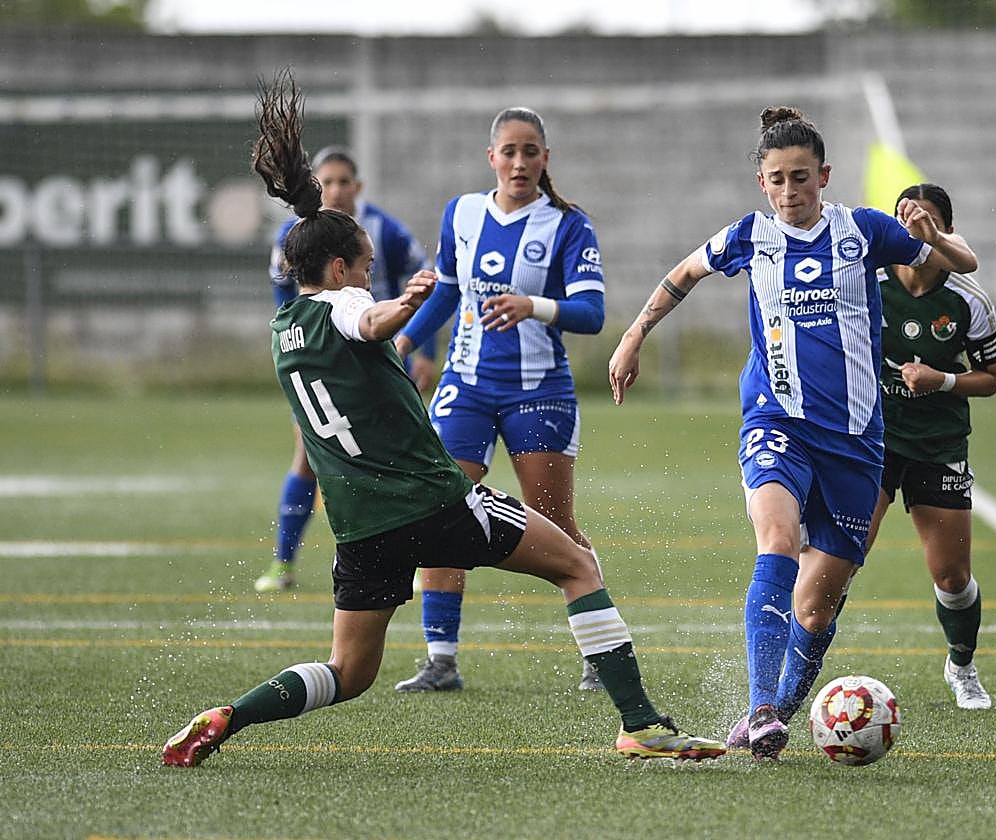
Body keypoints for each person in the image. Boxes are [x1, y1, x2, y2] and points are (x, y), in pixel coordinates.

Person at [162, 70, 725, 768]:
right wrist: (402, 306)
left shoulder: (283, 328)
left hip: (360, 531)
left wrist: (402, 319)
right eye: (366, 267)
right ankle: (640, 723)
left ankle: (231, 715)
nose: (371, 277)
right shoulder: (348, 304)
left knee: (349, 672)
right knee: (578, 565)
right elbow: (365, 317)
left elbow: (361, 326)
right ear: (340, 269)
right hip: (431, 504)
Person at [608, 107, 978, 761]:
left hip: (857, 441)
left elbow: (961, 262)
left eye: (800, 178)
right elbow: (683, 274)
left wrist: (932, 237)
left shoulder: (864, 230)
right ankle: (763, 708)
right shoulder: (750, 236)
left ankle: (776, 711)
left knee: (817, 606)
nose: (788, 192)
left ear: (823, 176)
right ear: (762, 182)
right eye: (776, 179)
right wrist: (636, 334)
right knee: (776, 540)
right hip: (775, 422)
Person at [392, 106, 605, 693]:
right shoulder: (461, 213)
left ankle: (598, 651)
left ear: (545, 158)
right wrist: (403, 342)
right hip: (466, 384)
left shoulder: (568, 226)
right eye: (509, 151)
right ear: (492, 157)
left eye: (530, 151)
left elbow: (592, 314)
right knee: (440, 510)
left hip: (539, 391)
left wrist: (531, 305)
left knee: (554, 522)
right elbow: (448, 293)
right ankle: (441, 661)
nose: (519, 162)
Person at [255, 145, 439, 593]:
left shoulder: (384, 233)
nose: (335, 190)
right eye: (328, 182)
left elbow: (416, 285)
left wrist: (424, 353)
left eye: (343, 182)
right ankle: (283, 562)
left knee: (402, 453)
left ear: (357, 187)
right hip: (326, 362)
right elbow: (289, 307)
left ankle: (416, 559)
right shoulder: (292, 239)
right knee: (310, 457)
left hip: (378, 352)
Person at [866, 183, 996, 708]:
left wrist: (941, 380)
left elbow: (991, 378)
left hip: (938, 441)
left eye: (928, 224)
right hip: (872, 438)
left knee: (951, 574)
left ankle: (961, 665)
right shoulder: (867, 283)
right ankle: (798, 665)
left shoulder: (969, 301)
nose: (916, 233)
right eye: (907, 223)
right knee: (844, 557)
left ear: (946, 232)